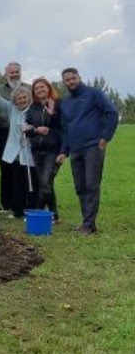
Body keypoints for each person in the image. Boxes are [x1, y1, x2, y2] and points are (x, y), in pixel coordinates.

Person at [55, 67, 119, 234]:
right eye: (67, 80)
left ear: (79, 77)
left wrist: (105, 137)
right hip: (76, 149)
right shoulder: (66, 103)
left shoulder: (93, 94)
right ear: (64, 83)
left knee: (91, 185)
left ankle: (88, 224)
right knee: (80, 187)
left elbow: (112, 112)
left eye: (73, 78)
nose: (71, 82)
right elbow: (66, 129)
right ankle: (88, 222)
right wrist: (64, 151)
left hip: (93, 147)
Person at [0, 83, 36, 219]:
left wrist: (30, 128)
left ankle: (30, 210)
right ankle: (17, 210)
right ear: (15, 100)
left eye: (24, 97)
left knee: (30, 183)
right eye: (19, 98)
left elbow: (38, 125)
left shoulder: (33, 110)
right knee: (17, 183)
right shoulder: (12, 109)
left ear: (29, 98)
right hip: (15, 153)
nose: (22, 100)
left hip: (28, 152)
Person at [24, 78, 63, 224]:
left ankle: (38, 214)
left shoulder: (59, 104)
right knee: (46, 184)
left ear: (48, 88)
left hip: (52, 150)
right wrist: (35, 129)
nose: (40, 90)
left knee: (45, 183)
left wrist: (52, 113)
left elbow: (62, 127)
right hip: (36, 151)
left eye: (42, 87)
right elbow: (26, 129)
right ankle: (54, 216)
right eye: (36, 88)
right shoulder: (32, 108)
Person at [0, 62, 28, 214]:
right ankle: (7, 203)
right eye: (11, 73)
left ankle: (24, 201)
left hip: (26, 133)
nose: (14, 75)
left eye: (16, 72)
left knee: (25, 166)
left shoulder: (29, 88)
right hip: (4, 131)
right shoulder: (0, 89)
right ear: (6, 74)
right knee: (6, 168)